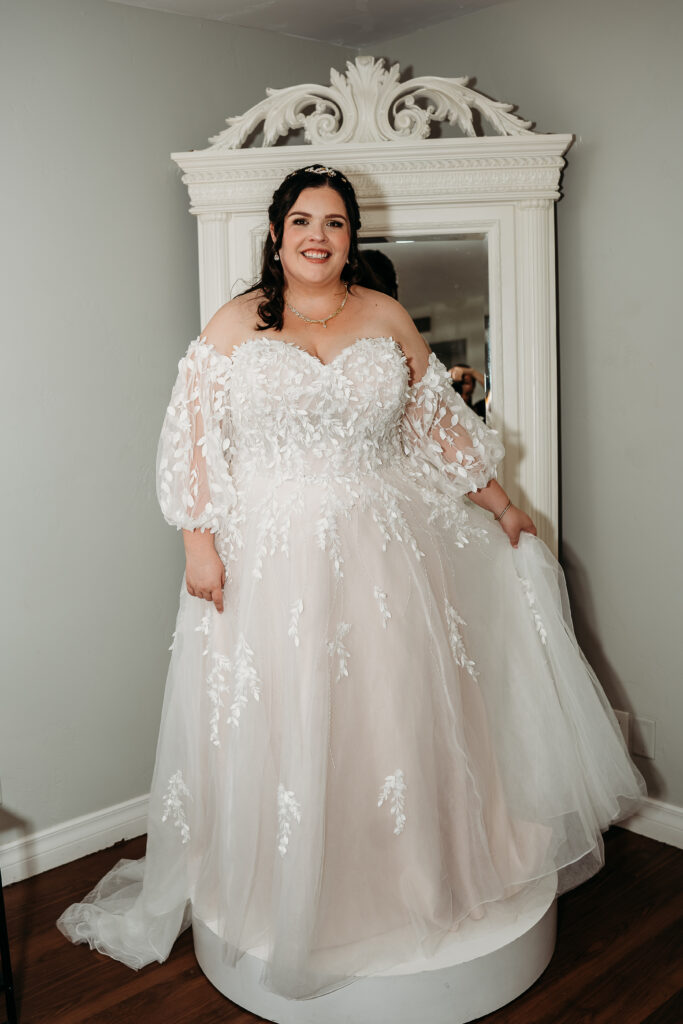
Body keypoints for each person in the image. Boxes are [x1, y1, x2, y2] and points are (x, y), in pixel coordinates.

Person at [57, 164, 646, 1001]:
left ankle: (404, 872)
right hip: (269, 550)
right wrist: (197, 542)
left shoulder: (384, 316)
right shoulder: (233, 324)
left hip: (384, 544)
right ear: (275, 233)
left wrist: (501, 505)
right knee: (291, 704)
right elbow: (193, 441)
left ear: (350, 238)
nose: (316, 237)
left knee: (388, 702)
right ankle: (293, 882)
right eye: (301, 220)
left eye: (333, 224)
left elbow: (437, 429)